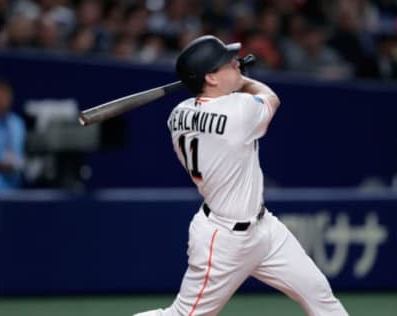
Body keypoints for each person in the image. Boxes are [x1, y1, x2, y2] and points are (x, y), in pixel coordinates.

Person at [134, 35, 348, 316]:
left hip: (265, 229)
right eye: (228, 64)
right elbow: (270, 97)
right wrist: (245, 81)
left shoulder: (177, 113)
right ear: (210, 77)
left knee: (318, 293)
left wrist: (230, 80)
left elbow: (210, 105)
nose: (237, 64)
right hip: (222, 239)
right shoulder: (240, 112)